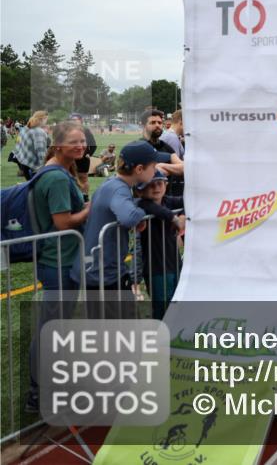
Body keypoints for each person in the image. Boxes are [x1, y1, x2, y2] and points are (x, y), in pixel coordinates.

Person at [24, 121, 92, 413]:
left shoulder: (58, 172)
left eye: (83, 141)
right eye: (74, 142)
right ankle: (38, 392)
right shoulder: (56, 179)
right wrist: (91, 208)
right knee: (51, 328)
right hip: (58, 263)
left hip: (58, 261)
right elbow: (63, 223)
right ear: (58, 145)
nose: (81, 146)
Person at [72, 141, 176, 310]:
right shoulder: (119, 189)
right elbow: (130, 217)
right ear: (140, 169)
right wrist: (144, 209)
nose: (155, 170)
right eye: (153, 166)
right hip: (104, 271)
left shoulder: (111, 183)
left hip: (100, 267)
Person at [134, 170, 185, 319]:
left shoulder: (168, 201)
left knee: (178, 301)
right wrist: (173, 218)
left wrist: (181, 215)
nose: (156, 188)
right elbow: (153, 208)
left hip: (174, 262)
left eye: (159, 183)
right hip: (156, 267)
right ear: (140, 190)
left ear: (166, 184)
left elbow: (190, 201)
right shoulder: (141, 205)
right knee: (162, 307)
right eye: (150, 185)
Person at [140, 109, 184, 196]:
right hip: (145, 201)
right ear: (143, 125)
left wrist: (162, 166)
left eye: (159, 123)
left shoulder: (165, 146)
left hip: (167, 199)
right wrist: (173, 169)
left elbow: (183, 168)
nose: (157, 125)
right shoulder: (139, 147)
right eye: (153, 122)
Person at [12, 110, 50, 180]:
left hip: (24, 163)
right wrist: (45, 167)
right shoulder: (39, 131)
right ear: (42, 119)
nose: (46, 122)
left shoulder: (25, 128)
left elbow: (18, 144)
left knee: (31, 188)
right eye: (46, 119)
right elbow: (41, 151)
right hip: (34, 167)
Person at [68, 113, 98, 199]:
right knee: (71, 177)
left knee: (83, 178)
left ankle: (85, 197)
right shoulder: (67, 131)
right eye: (71, 120)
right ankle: (73, 196)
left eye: (75, 120)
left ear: (80, 121)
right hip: (70, 159)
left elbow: (93, 144)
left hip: (83, 159)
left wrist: (88, 154)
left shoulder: (85, 131)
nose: (72, 122)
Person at [159, 109, 185, 196]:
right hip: (171, 185)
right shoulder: (171, 138)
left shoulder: (171, 135)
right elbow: (177, 167)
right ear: (181, 121)